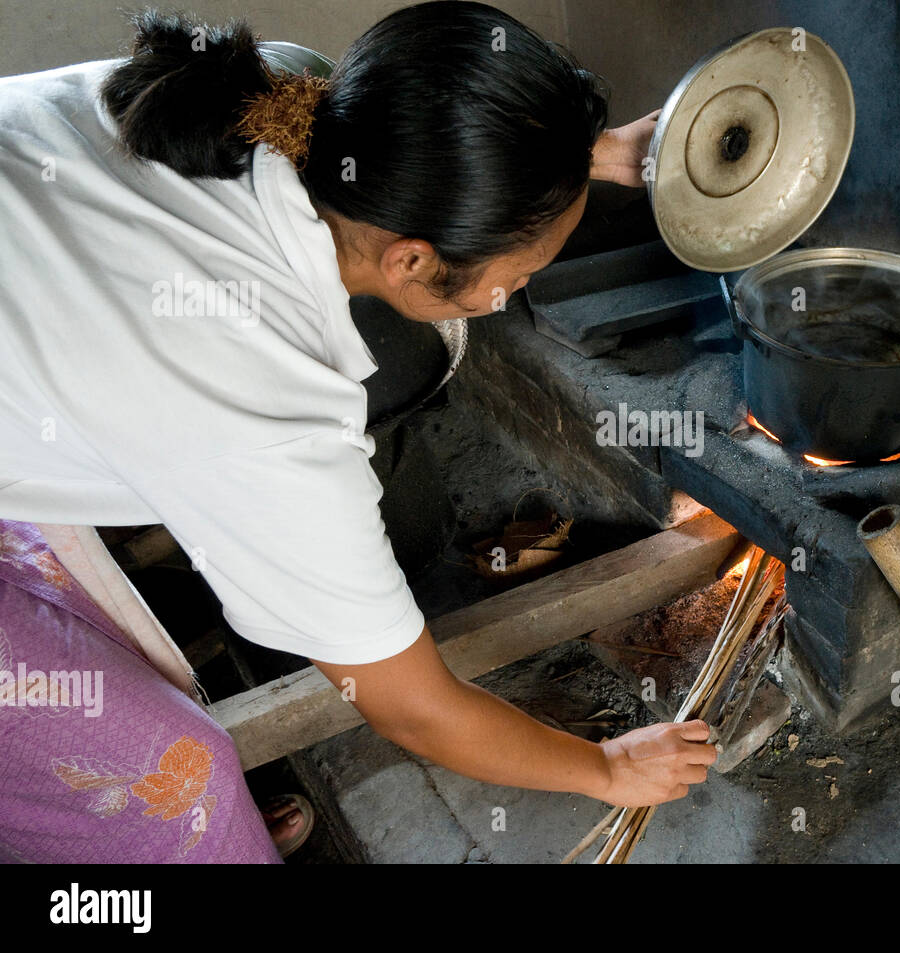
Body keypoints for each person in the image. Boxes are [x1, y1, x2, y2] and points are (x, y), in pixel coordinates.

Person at [0, 0, 715, 864]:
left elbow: (431, 118)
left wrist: (584, 155)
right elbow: (413, 706)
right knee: (175, 778)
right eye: (518, 275)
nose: (512, 296)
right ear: (411, 260)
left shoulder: (289, 93)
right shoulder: (264, 410)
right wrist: (606, 767)